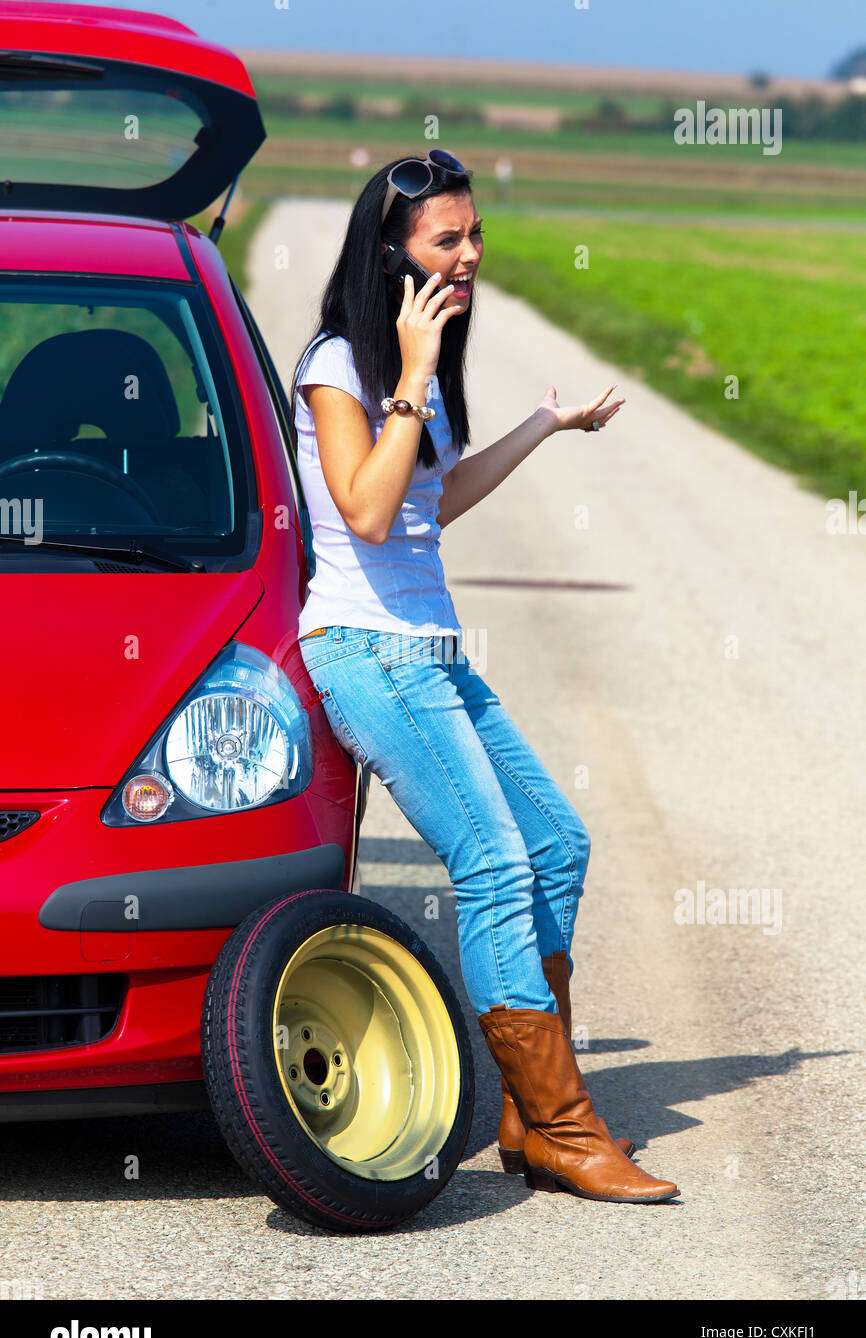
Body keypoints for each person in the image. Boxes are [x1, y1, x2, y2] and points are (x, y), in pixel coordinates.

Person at [289, 150, 679, 1204]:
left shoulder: (423, 362)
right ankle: (560, 1122)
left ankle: (520, 1111)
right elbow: (364, 513)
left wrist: (544, 427)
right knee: (497, 862)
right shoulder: (338, 366)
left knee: (557, 840)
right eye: (444, 241)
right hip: (366, 655)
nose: (467, 258)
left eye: (472, 238)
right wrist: (410, 374)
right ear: (390, 253)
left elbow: (426, 505)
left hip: (432, 652)